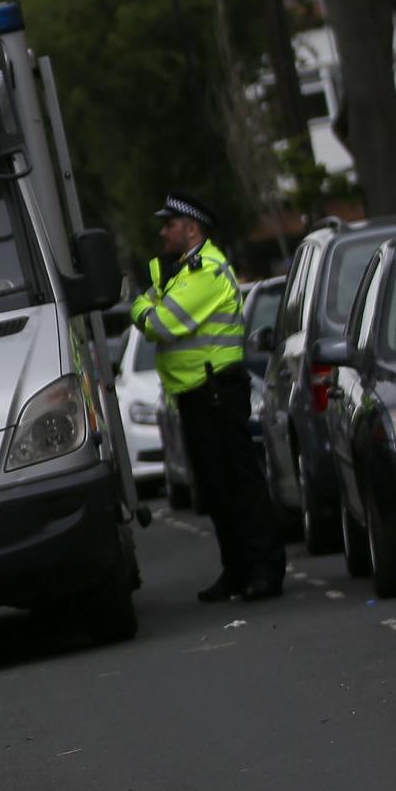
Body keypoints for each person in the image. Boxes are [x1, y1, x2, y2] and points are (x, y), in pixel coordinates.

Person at [131, 189, 284, 602]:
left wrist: (140, 306)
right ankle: (235, 570)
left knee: (240, 485)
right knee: (216, 489)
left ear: (192, 228)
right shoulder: (183, 272)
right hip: (196, 395)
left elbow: (161, 324)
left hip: (216, 391)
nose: (163, 232)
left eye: (170, 224)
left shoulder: (206, 271)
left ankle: (265, 570)